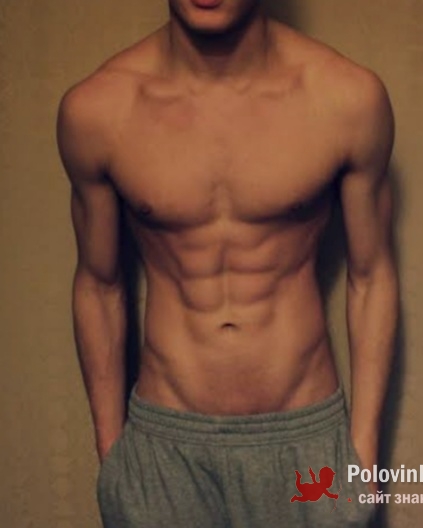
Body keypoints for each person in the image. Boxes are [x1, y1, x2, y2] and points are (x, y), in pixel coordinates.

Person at [57, 0, 398, 526]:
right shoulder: (99, 110)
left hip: (304, 440)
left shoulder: (345, 99)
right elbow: (99, 285)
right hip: (163, 448)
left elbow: (371, 277)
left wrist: (364, 451)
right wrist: (114, 458)